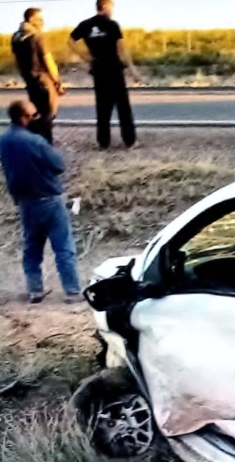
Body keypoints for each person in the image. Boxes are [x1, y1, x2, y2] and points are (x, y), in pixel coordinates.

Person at [0, 100, 82, 304]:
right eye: (34, 115)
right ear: (24, 117)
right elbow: (59, 165)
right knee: (63, 247)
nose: (38, 117)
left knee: (32, 248)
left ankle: (35, 290)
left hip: (25, 202)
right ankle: (72, 291)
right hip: (49, 199)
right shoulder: (35, 141)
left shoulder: (4, 140)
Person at [68, 0, 139, 150]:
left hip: (98, 69)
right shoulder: (112, 24)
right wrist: (132, 70)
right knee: (123, 106)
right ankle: (129, 141)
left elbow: (70, 41)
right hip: (114, 68)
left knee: (102, 107)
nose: (112, 11)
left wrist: (86, 58)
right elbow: (121, 48)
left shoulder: (86, 25)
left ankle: (104, 142)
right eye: (112, 8)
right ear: (106, 7)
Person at [11, 8, 64, 144]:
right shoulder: (37, 37)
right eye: (39, 19)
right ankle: (45, 145)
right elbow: (48, 60)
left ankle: (33, 141)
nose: (42, 22)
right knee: (48, 114)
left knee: (35, 114)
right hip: (43, 80)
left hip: (30, 80)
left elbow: (17, 61)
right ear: (31, 19)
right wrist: (57, 81)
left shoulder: (16, 38)